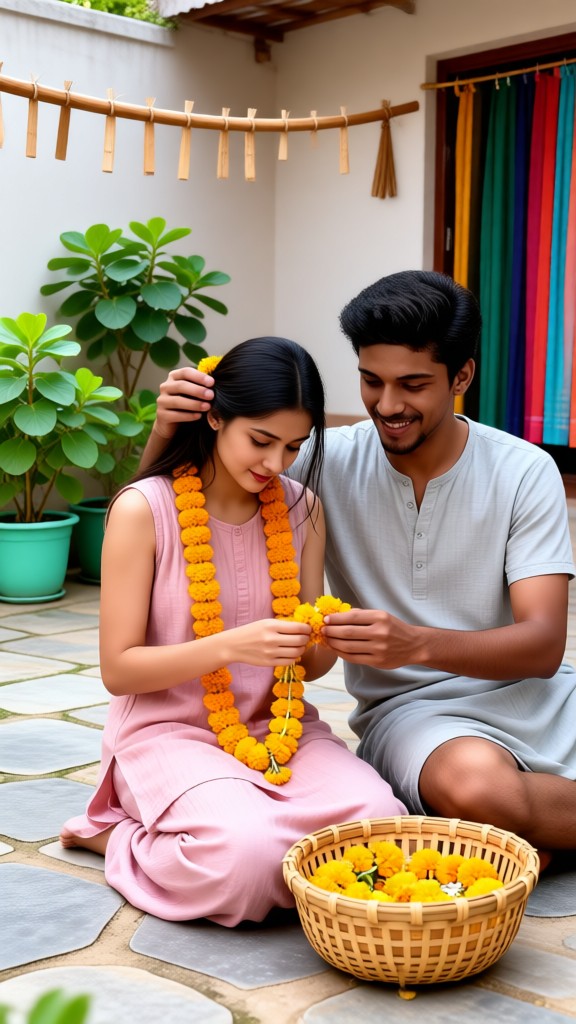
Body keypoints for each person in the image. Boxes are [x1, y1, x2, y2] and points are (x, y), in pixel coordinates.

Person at [145, 271, 576, 860]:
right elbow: (170, 513)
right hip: (417, 718)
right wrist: (167, 429)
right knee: (478, 788)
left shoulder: (524, 471)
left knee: (502, 798)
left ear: (462, 376)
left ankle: (529, 839)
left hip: (542, 695)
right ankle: (521, 828)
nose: (388, 405)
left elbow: (543, 645)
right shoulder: (316, 462)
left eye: (414, 385)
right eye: (371, 381)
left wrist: (415, 643)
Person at [60, 336, 406, 926]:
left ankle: (241, 820)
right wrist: (229, 645)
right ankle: (115, 836)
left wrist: (325, 640)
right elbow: (119, 670)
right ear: (215, 415)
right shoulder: (144, 508)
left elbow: (309, 667)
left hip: (279, 728)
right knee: (242, 860)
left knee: (384, 826)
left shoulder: (303, 510)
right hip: (166, 733)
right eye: (261, 440)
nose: (275, 463)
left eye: (294, 446)